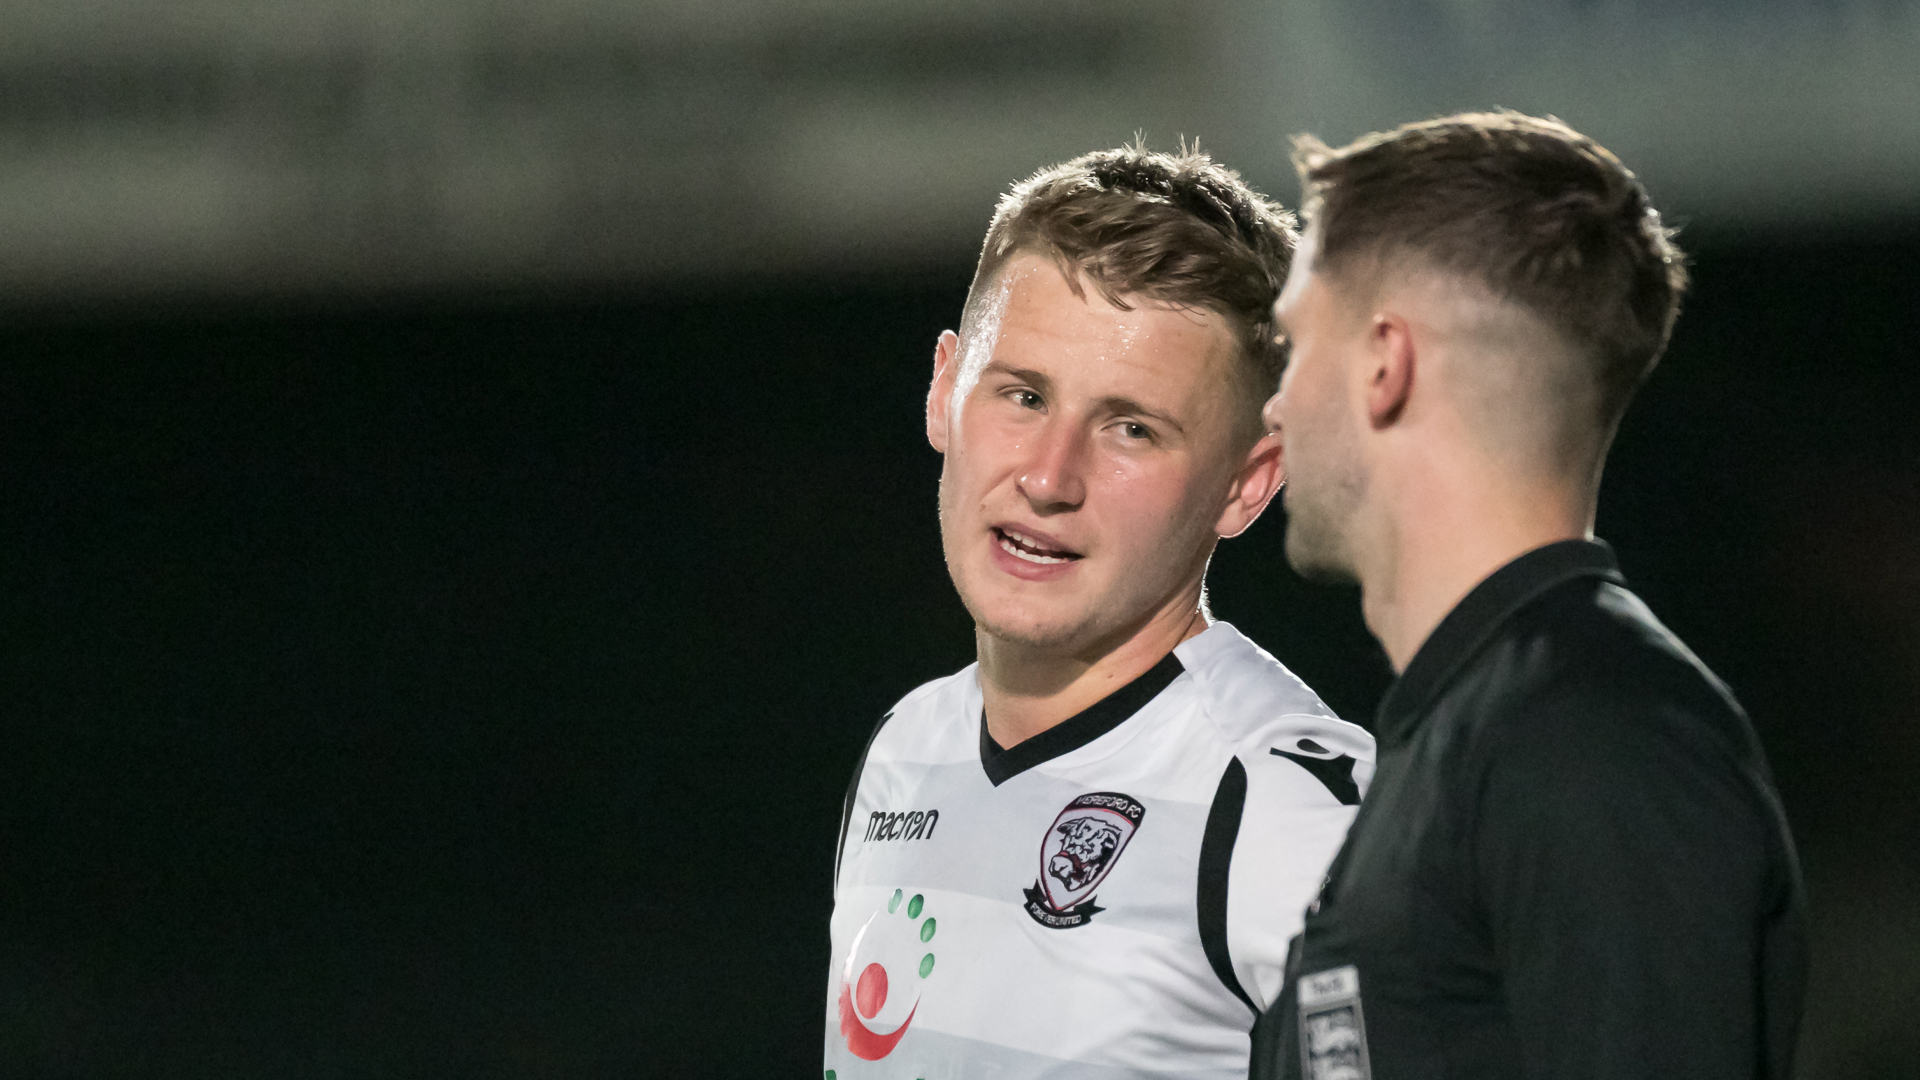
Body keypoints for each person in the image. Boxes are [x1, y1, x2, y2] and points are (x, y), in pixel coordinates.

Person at [1249, 112, 1807, 1080]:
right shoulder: (1485, 727)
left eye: (1295, 344)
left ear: (1386, 362)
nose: (1275, 401)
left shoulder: (1593, 737)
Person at [824, 145, 1377, 1080]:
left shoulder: (1279, 802)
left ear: (1248, 483)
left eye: (1132, 428)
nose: (1047, 478)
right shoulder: (906, 749)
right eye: (1024, 395)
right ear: (944, 392)